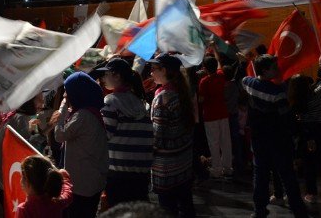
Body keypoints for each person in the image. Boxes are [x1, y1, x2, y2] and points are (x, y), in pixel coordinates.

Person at [243, 54, 309, 218]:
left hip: (258, 140)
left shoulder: (248, 84)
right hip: (278, 141)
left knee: (261, 176)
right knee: (288, 178)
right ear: (265, 71)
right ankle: (299, 212)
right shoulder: (277, 93)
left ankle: (259, 210)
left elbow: (243, 78)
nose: (278, 69)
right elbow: (287, 119)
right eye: (274, 67)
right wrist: (298, 136)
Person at [95, 57, 153, 207]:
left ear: (117, 76)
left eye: (106, 74)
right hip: (141, 172)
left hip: (119, 174)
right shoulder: (140, 103)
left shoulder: (111, 102)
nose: (103, 78)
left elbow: (104, 136)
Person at [53, 72, 108, 218]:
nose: (65, 95)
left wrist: (62, 109)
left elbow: (59, 136)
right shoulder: (89, 112)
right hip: (90, 181)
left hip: (81, 185)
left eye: (67, 91)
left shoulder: (83, 116)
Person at [147, 54, 195, 217]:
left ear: (165, 70)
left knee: (168, 209)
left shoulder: (162, 97)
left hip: (167, 166)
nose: (151, 73)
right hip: (184, 161)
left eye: (154, 69)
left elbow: (157, 135)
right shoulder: (180, 91)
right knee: (186, 205)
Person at [295, 54, 321, 203]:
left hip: (306, 133)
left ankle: (311, 193)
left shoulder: (295, 100)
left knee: (309, 166)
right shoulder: (314, 96)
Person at [197, 51, 232, 178]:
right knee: (226, 141)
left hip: (210, 115)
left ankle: (216, 169)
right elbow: (219, 65)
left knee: (214, 142)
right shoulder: (221, 75)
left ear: (205, 68)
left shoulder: (204, 81)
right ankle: (228, 168)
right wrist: (215, 49)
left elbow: (201, 99)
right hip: (223, 112)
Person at [16, 154, 73, 218]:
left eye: (23, 177)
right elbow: (68, 194)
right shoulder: (57, 201)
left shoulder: (24, 209)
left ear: (29, 183)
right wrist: (64, 176)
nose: (21, 180)